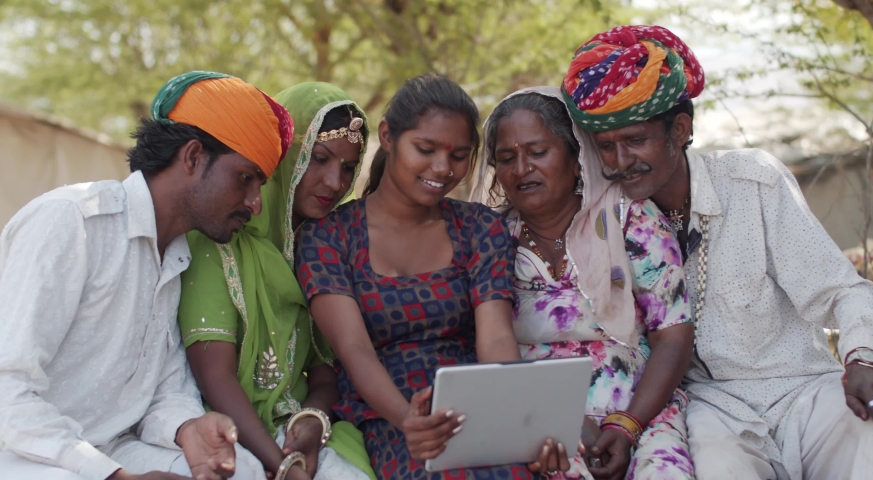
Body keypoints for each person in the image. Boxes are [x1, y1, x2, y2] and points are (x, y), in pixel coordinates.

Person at [561, 25, 873, 479]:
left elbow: (842, 289)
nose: (621, 160)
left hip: (802, 391)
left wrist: (862, 361)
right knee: (718, 466)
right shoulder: (608, 221)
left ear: (680, 129)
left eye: (636, 140)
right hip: (710, 408)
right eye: (607, 147)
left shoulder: (753, 182)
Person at [0, 71, 293, 480]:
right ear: (192, 157)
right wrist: (115, 476)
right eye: (245, 178)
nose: (255, 204)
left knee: (240, 469)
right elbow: (7, 392)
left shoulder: (177, 254)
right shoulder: (72, 222)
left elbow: (165, 391)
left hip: (112, 448)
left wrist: (189, 428)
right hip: (25, 451)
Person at [296, 74, 566, 479]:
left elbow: (494, 338)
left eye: (459, 156)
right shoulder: (329, 236)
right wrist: (409, 421)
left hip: (477, 403)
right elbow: (354, 349)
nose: (442, 169)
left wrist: (520, 421)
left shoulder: (479, 227)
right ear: (388, 137)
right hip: (388, 412)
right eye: (425, 149)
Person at [470, 86, 695, 480]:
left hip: (642, 411)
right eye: (507, 158)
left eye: (538, 152)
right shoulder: (490, 240)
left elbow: (673, 335)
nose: (521, 169)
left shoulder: (629, 221)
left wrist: (627, 425)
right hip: (538, 422)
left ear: (577, 158)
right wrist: (560, 422)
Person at [178, 82, 376, 480]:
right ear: (285, 157)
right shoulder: (218, 236)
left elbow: (325, 367)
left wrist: (314, 421)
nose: (335, 182)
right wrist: (283, 463)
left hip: (294, 426)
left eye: (348, 167)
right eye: (318, 159)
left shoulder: (323, 246)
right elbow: (214, 376)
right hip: (217, 426)